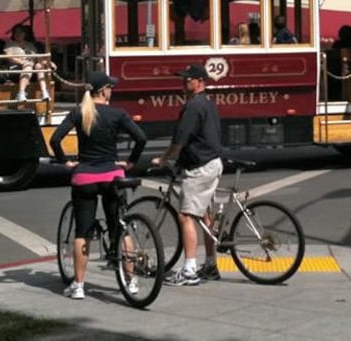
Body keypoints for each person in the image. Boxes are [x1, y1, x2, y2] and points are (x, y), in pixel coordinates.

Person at [49, 71, 147, 300]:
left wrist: (66, 161)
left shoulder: (79, 112)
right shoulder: (117, 114)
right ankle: (131, 281)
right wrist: (131, 161)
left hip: (85, 177)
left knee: (82, 232)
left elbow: (55, 139)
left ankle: (79, 285)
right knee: (120, 228)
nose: (112, 90)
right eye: (110, 87)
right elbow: (141, 137)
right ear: (103, 91)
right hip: (112, 175)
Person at [152, 64, 224, 285]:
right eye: (184, 79)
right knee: (203, 215)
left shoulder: (193, 107)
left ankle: (189, 270)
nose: (184, 83)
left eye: (188, 80)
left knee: (186, 216)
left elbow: (179, 141)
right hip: (212, 162)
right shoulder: (208, 104)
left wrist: (163, 159)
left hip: (199, 167)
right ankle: (210, 264)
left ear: (200, 81)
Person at [4, 24, 50, 103]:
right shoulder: (10, 44)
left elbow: (36, 56)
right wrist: (22, 62)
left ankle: (44, 91)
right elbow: (9, 57)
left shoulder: (30, 44)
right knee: (28, 66)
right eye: (16, 32)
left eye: (21, 32)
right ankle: (21, 93)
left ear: (25, 34)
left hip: (31, 68)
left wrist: (47, 62)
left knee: (39, 66)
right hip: (15, 69)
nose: (18, 34)